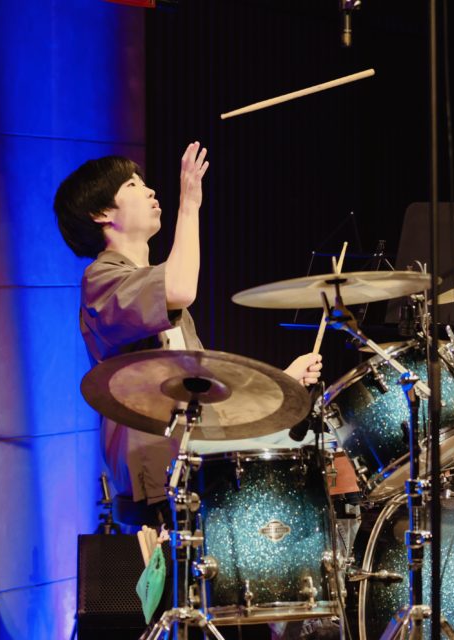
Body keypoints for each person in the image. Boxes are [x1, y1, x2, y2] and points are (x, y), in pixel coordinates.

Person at [54, 141, 324, 526]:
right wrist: (189, 204)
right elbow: (181, 286)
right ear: (101, 213)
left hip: (190, 457)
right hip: (157, 472)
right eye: (131, 185)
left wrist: (283, 382)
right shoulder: (101, 280)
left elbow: (204, 397)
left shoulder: (152, 287)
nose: (149, 190)